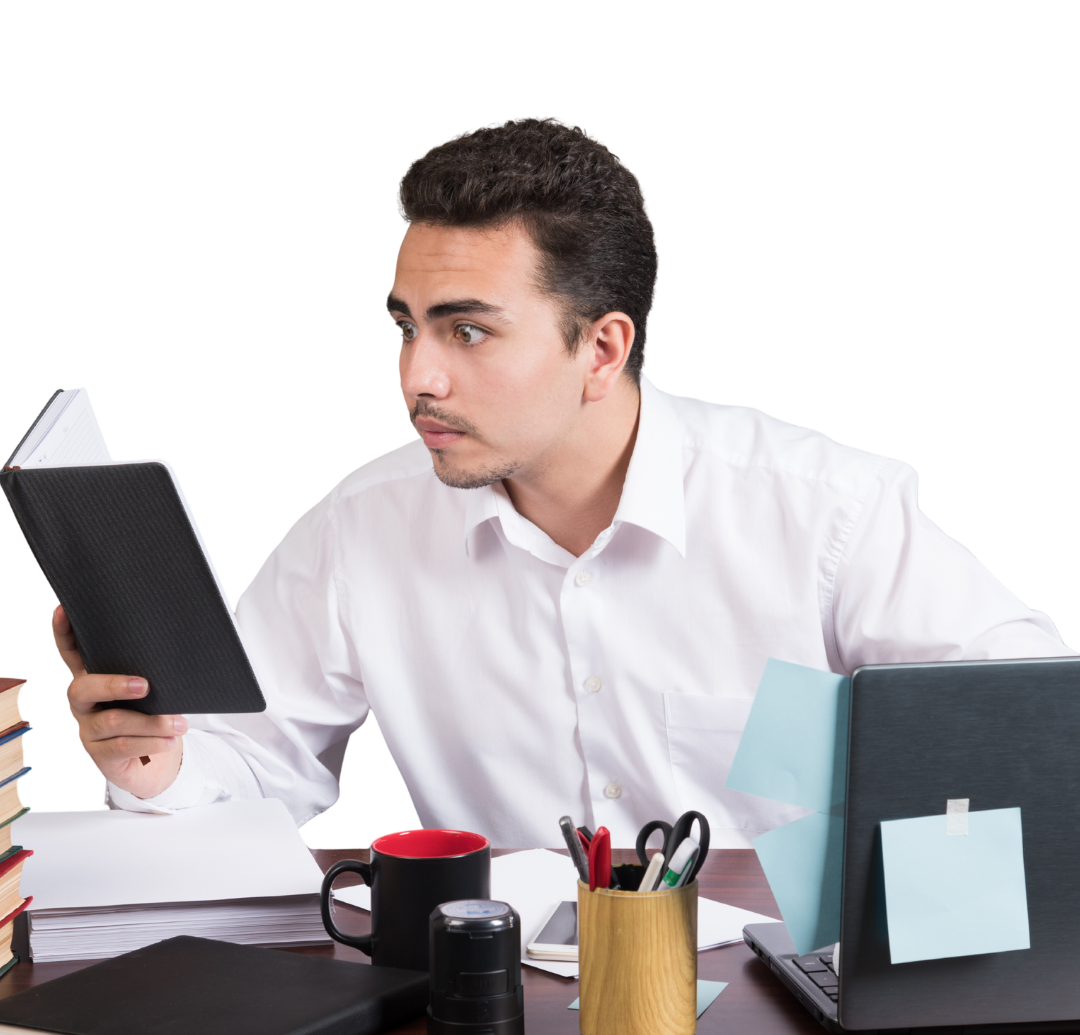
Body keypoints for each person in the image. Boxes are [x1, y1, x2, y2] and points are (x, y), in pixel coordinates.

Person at [53, 119, 1072, 848]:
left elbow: (1029, 726)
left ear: (602, 348)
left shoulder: (822, 511)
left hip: (781, 1012)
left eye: (467, 330)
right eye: (407, 327)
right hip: (501, 1013)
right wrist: (156, 765)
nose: (417, 376)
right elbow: (252, 772)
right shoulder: (361, 531)